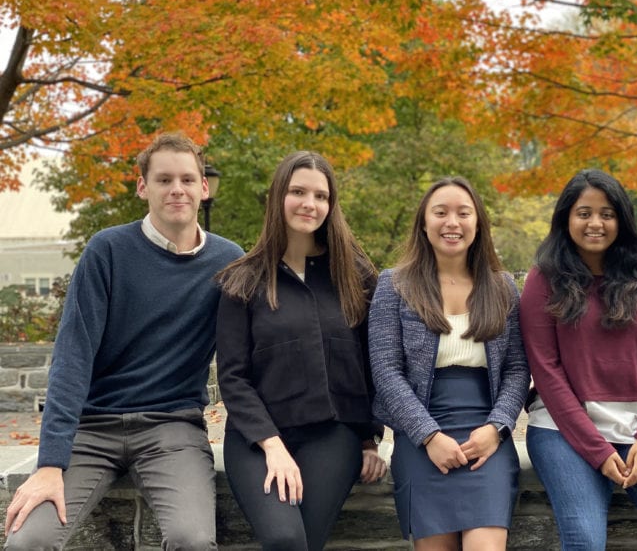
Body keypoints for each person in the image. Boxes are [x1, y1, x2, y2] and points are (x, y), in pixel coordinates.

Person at [4, 132, 244, 550]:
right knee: (29, 541)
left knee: (192, 540)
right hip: (90, 430)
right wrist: (50, 463)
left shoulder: (228, 262)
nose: (177, 189)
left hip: (172, 428)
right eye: (164, 179)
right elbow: (72, 357)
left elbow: (250, 356)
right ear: (142, 187)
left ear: (204, 188)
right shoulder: (107, 251)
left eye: (188, 179)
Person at [215, 151, 387, 551]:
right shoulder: (242, 280)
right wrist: (272, 446)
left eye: (321, 196)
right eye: (297, 191)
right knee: (283, 536)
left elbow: (369, 364)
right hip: (256, 438)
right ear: (279, 197)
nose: (310, 204)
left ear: (331, 205)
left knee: (300, 540)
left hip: (332, 433)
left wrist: (369, 440)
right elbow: (233, 376)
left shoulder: (355, 276)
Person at [519, 169, 637, 551]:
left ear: (622, 220)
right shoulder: (542, 280)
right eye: (584, 213)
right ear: (566, 218)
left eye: (607, 213)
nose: (595, 223)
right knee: (584, 539)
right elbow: (546, 372)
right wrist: (598, 452)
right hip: (563, 426)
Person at [368, 177, 530, 550]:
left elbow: (518, 369)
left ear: (478, 223)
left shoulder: (503, 287)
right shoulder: (394, 285)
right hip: (421, 436)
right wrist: (428, 435)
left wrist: (497, 427)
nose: (452, 223)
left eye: (463, 213)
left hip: (485, 436)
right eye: (440, 213)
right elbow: (385, 371)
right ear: (424, 224)